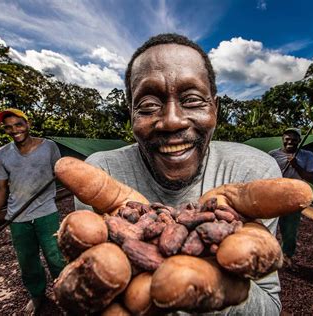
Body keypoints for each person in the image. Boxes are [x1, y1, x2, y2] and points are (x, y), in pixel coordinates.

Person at [75, 33, 283, 315]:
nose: (172, 120)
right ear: (131, 114)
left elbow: (269, 304)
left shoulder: (253, 174)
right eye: (148, 105)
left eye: (193, 99)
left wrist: (210, 292)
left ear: (215, 110)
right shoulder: (101, 175)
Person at [0, 108, 65, 314]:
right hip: (18, 217)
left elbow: (62, 172)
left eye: (18, 124)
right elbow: (0, 188)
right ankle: (37, 295)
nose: (15, 130)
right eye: (9, 127)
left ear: (27, 124)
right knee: (27, 261)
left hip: (46, 213)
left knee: (56, 256)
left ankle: (65, 291)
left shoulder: (49, 147)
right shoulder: (1, 155)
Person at [269, 128, 313, 267]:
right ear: (283, 139)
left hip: (294, 196)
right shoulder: (273, 155)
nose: (290, 142)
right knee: (267, 225)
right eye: (287, 139)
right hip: (273, 195)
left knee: (290, 229)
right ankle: (267, 253)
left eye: (294, 139)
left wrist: (296, 165)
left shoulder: (308, 156)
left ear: (299, 141)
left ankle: (286, 255)